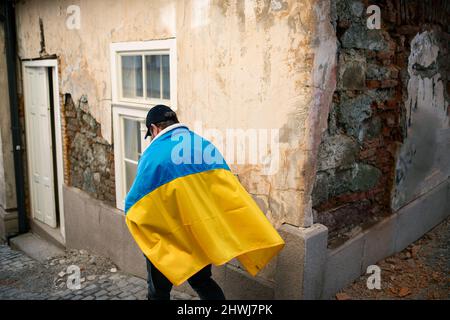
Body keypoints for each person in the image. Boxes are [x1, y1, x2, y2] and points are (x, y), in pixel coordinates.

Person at [124, 105, 285, 300]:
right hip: (199, 234)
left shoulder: (153, 154)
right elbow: (227, 189)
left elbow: (134, 203)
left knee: (158, 292)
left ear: (153, 129)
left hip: (168, 237)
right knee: (202, 282)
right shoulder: (204, 145)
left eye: (150, 134)